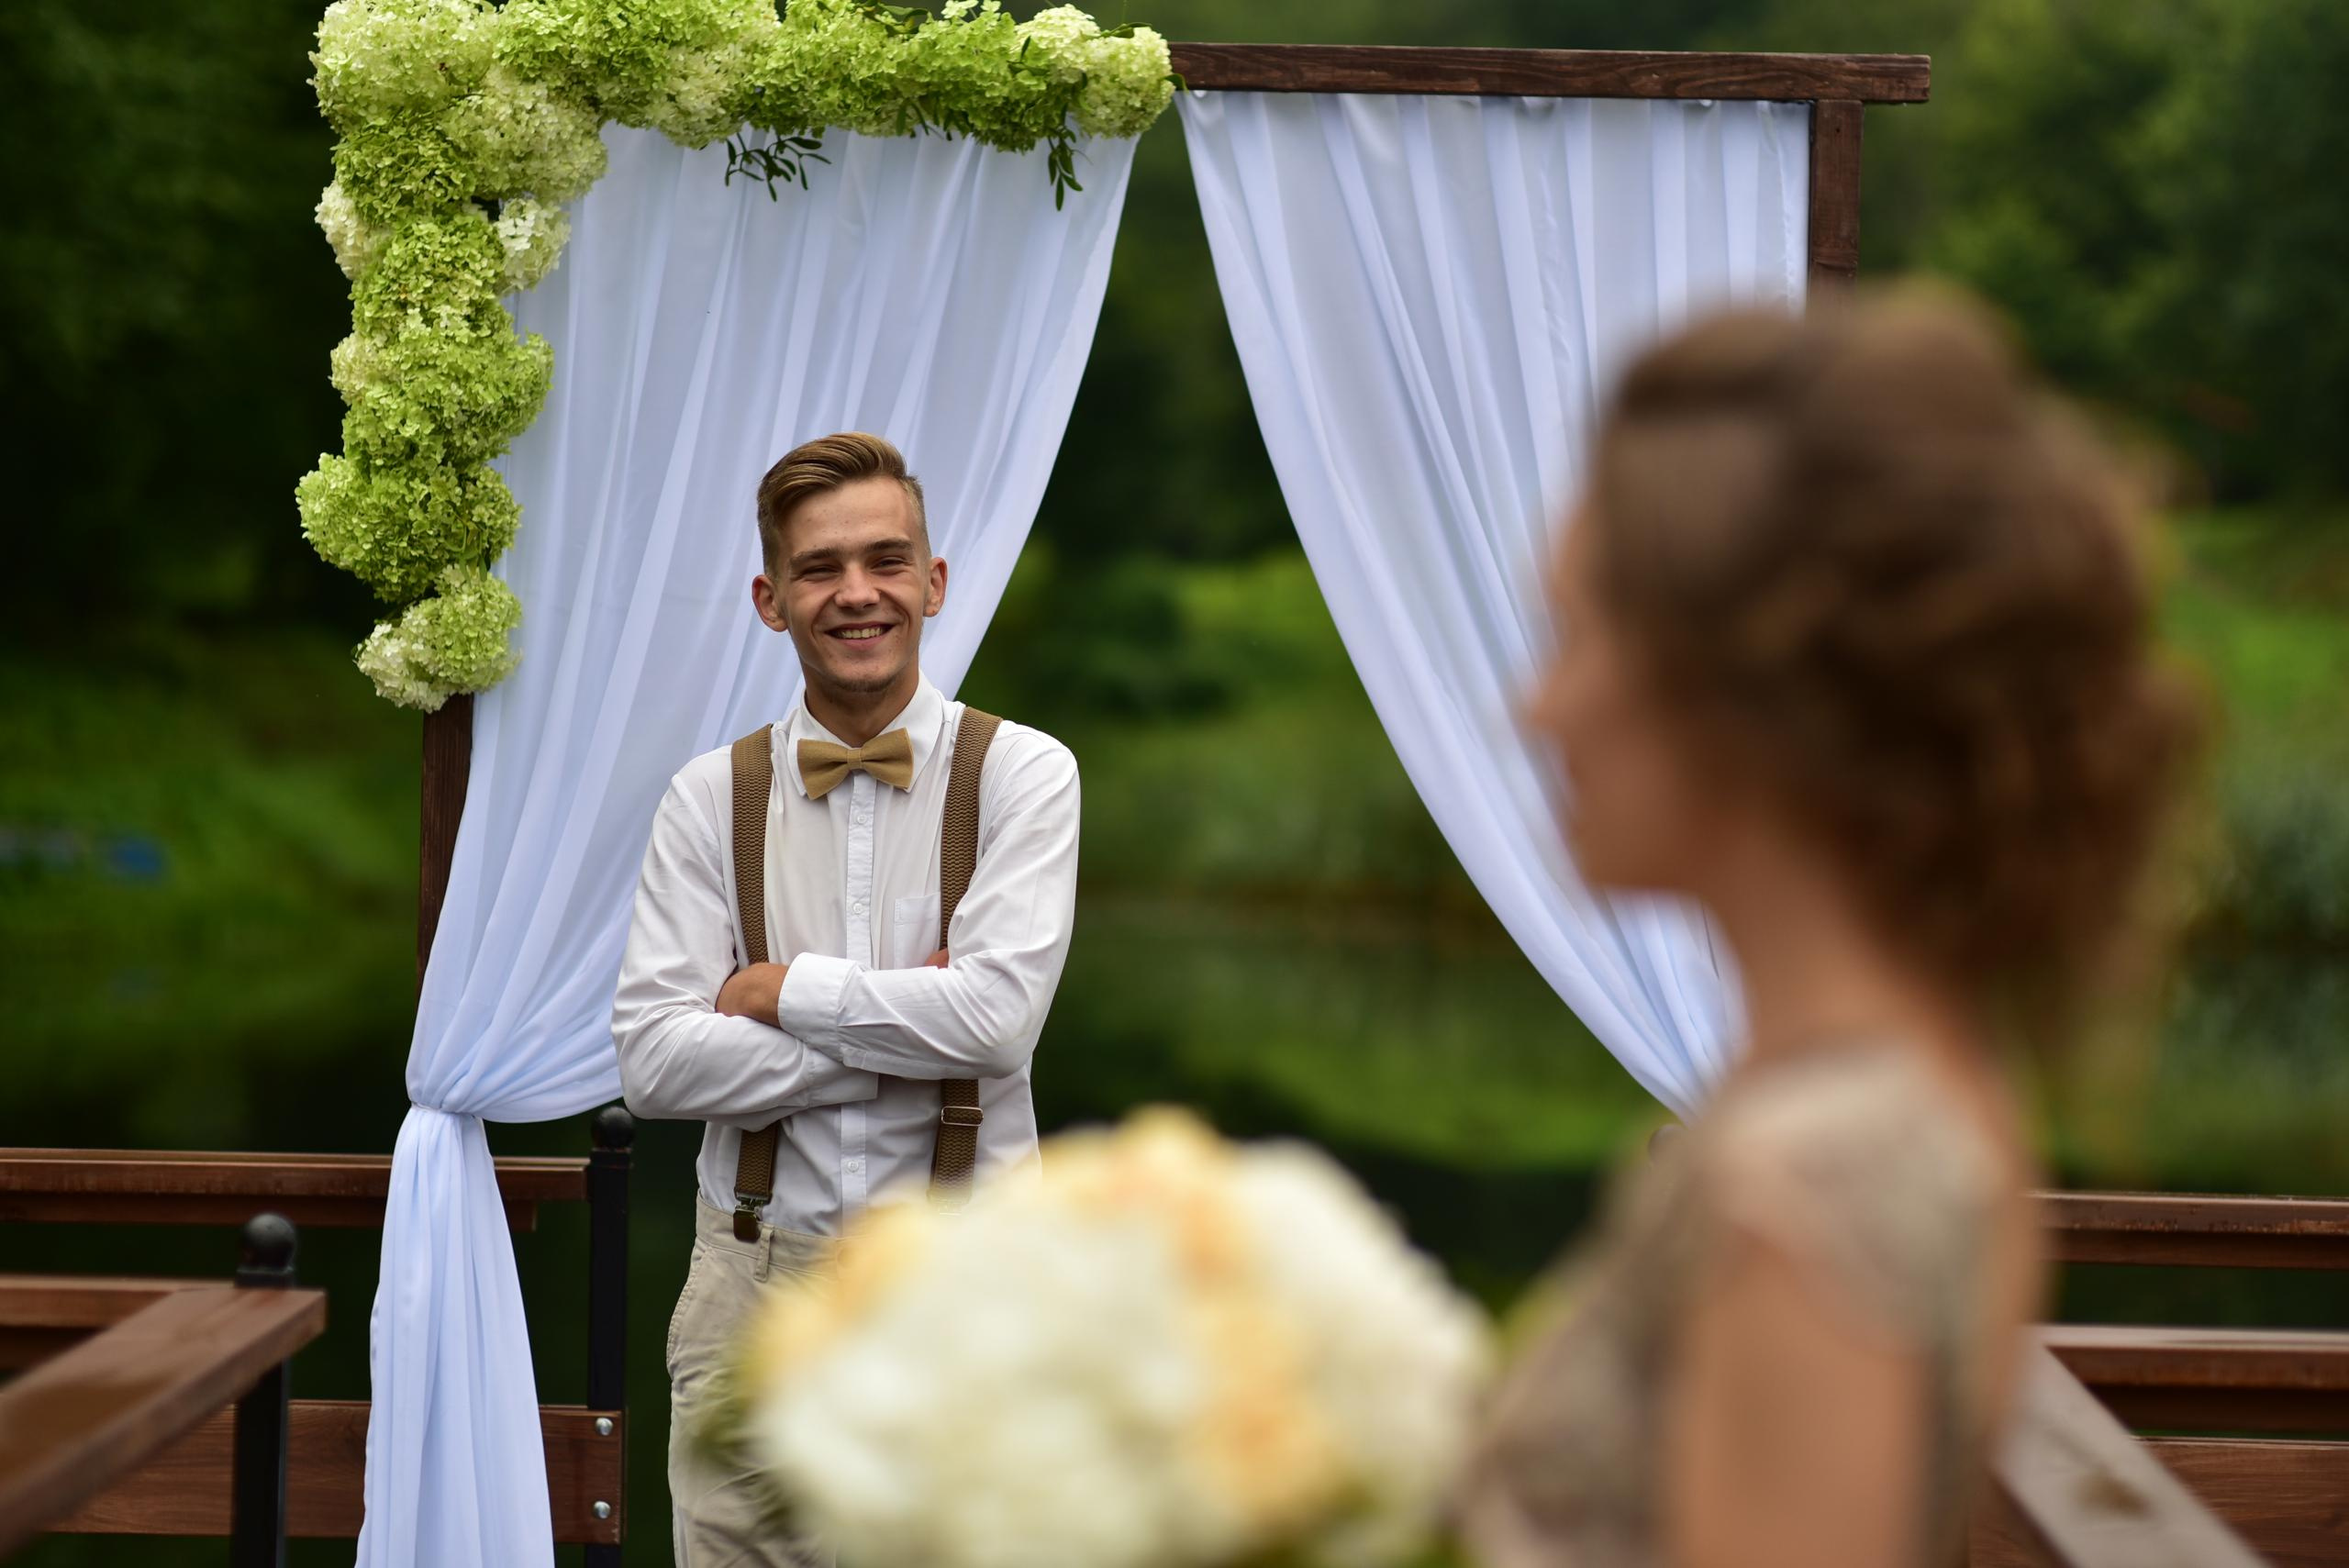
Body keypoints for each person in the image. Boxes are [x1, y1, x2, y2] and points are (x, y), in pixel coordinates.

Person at [1458, 294, 2198, 1568]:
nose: (1538, 709)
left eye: (1579, 636)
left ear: (1752, 690)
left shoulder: (1810, 1189)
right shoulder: (1916, 1086)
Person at [611, 432, 1082, 1566]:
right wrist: (912, 1030)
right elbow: (655, 1063)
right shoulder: (703, 797)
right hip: (753, 1285)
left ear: (935, 581)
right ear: (771, 599)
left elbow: (999, 1022)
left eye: (886, 558)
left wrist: (779, 992)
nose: (856, 592)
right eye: (821, 568)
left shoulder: (1025, 773)